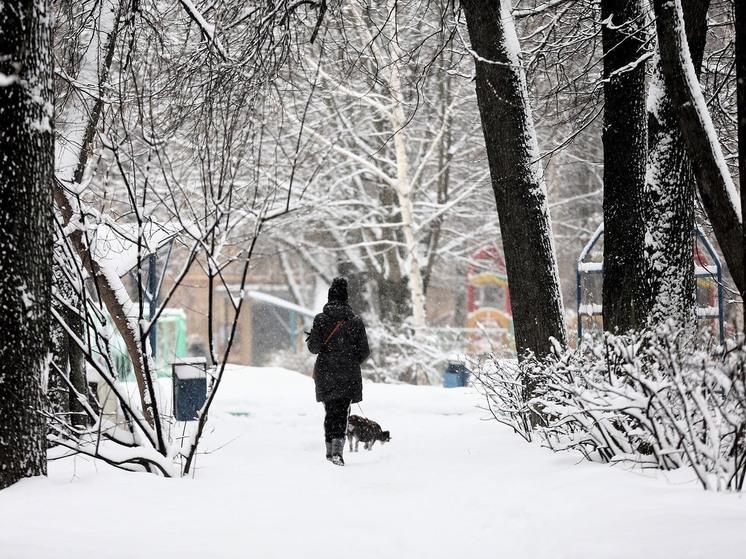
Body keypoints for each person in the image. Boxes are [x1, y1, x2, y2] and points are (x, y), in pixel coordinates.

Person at [307, 277, 370, 466]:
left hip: (326, 373)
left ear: (329, 297)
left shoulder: (320, 319)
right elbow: (364, 351)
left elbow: (314, 348)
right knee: (342, 412)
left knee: (330, 412)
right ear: (346, 298)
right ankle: (337, 453)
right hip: (348, 375)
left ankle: (329, 452)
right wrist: (350, 361)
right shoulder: (356, 321)